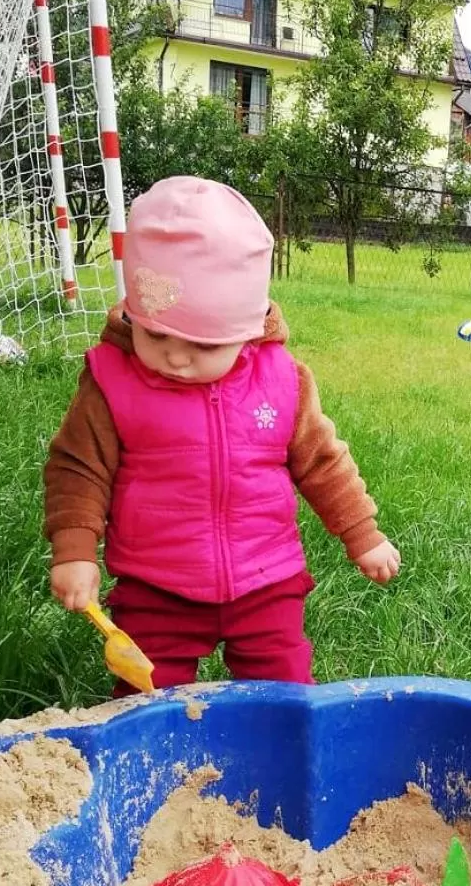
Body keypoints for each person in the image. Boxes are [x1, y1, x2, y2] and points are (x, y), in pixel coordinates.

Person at [44, 176, 399, 690]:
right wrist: (75, 550)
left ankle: (276, 755)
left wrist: (361, 534)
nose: (176, 355)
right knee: (148, 697)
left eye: (203, 345)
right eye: (156, 333)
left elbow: (323, 462)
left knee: (283, 692)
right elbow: (78, 467)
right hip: (155, 585)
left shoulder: (281, 381)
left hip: (266, 579)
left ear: (248, 328)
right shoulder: (111, 383)